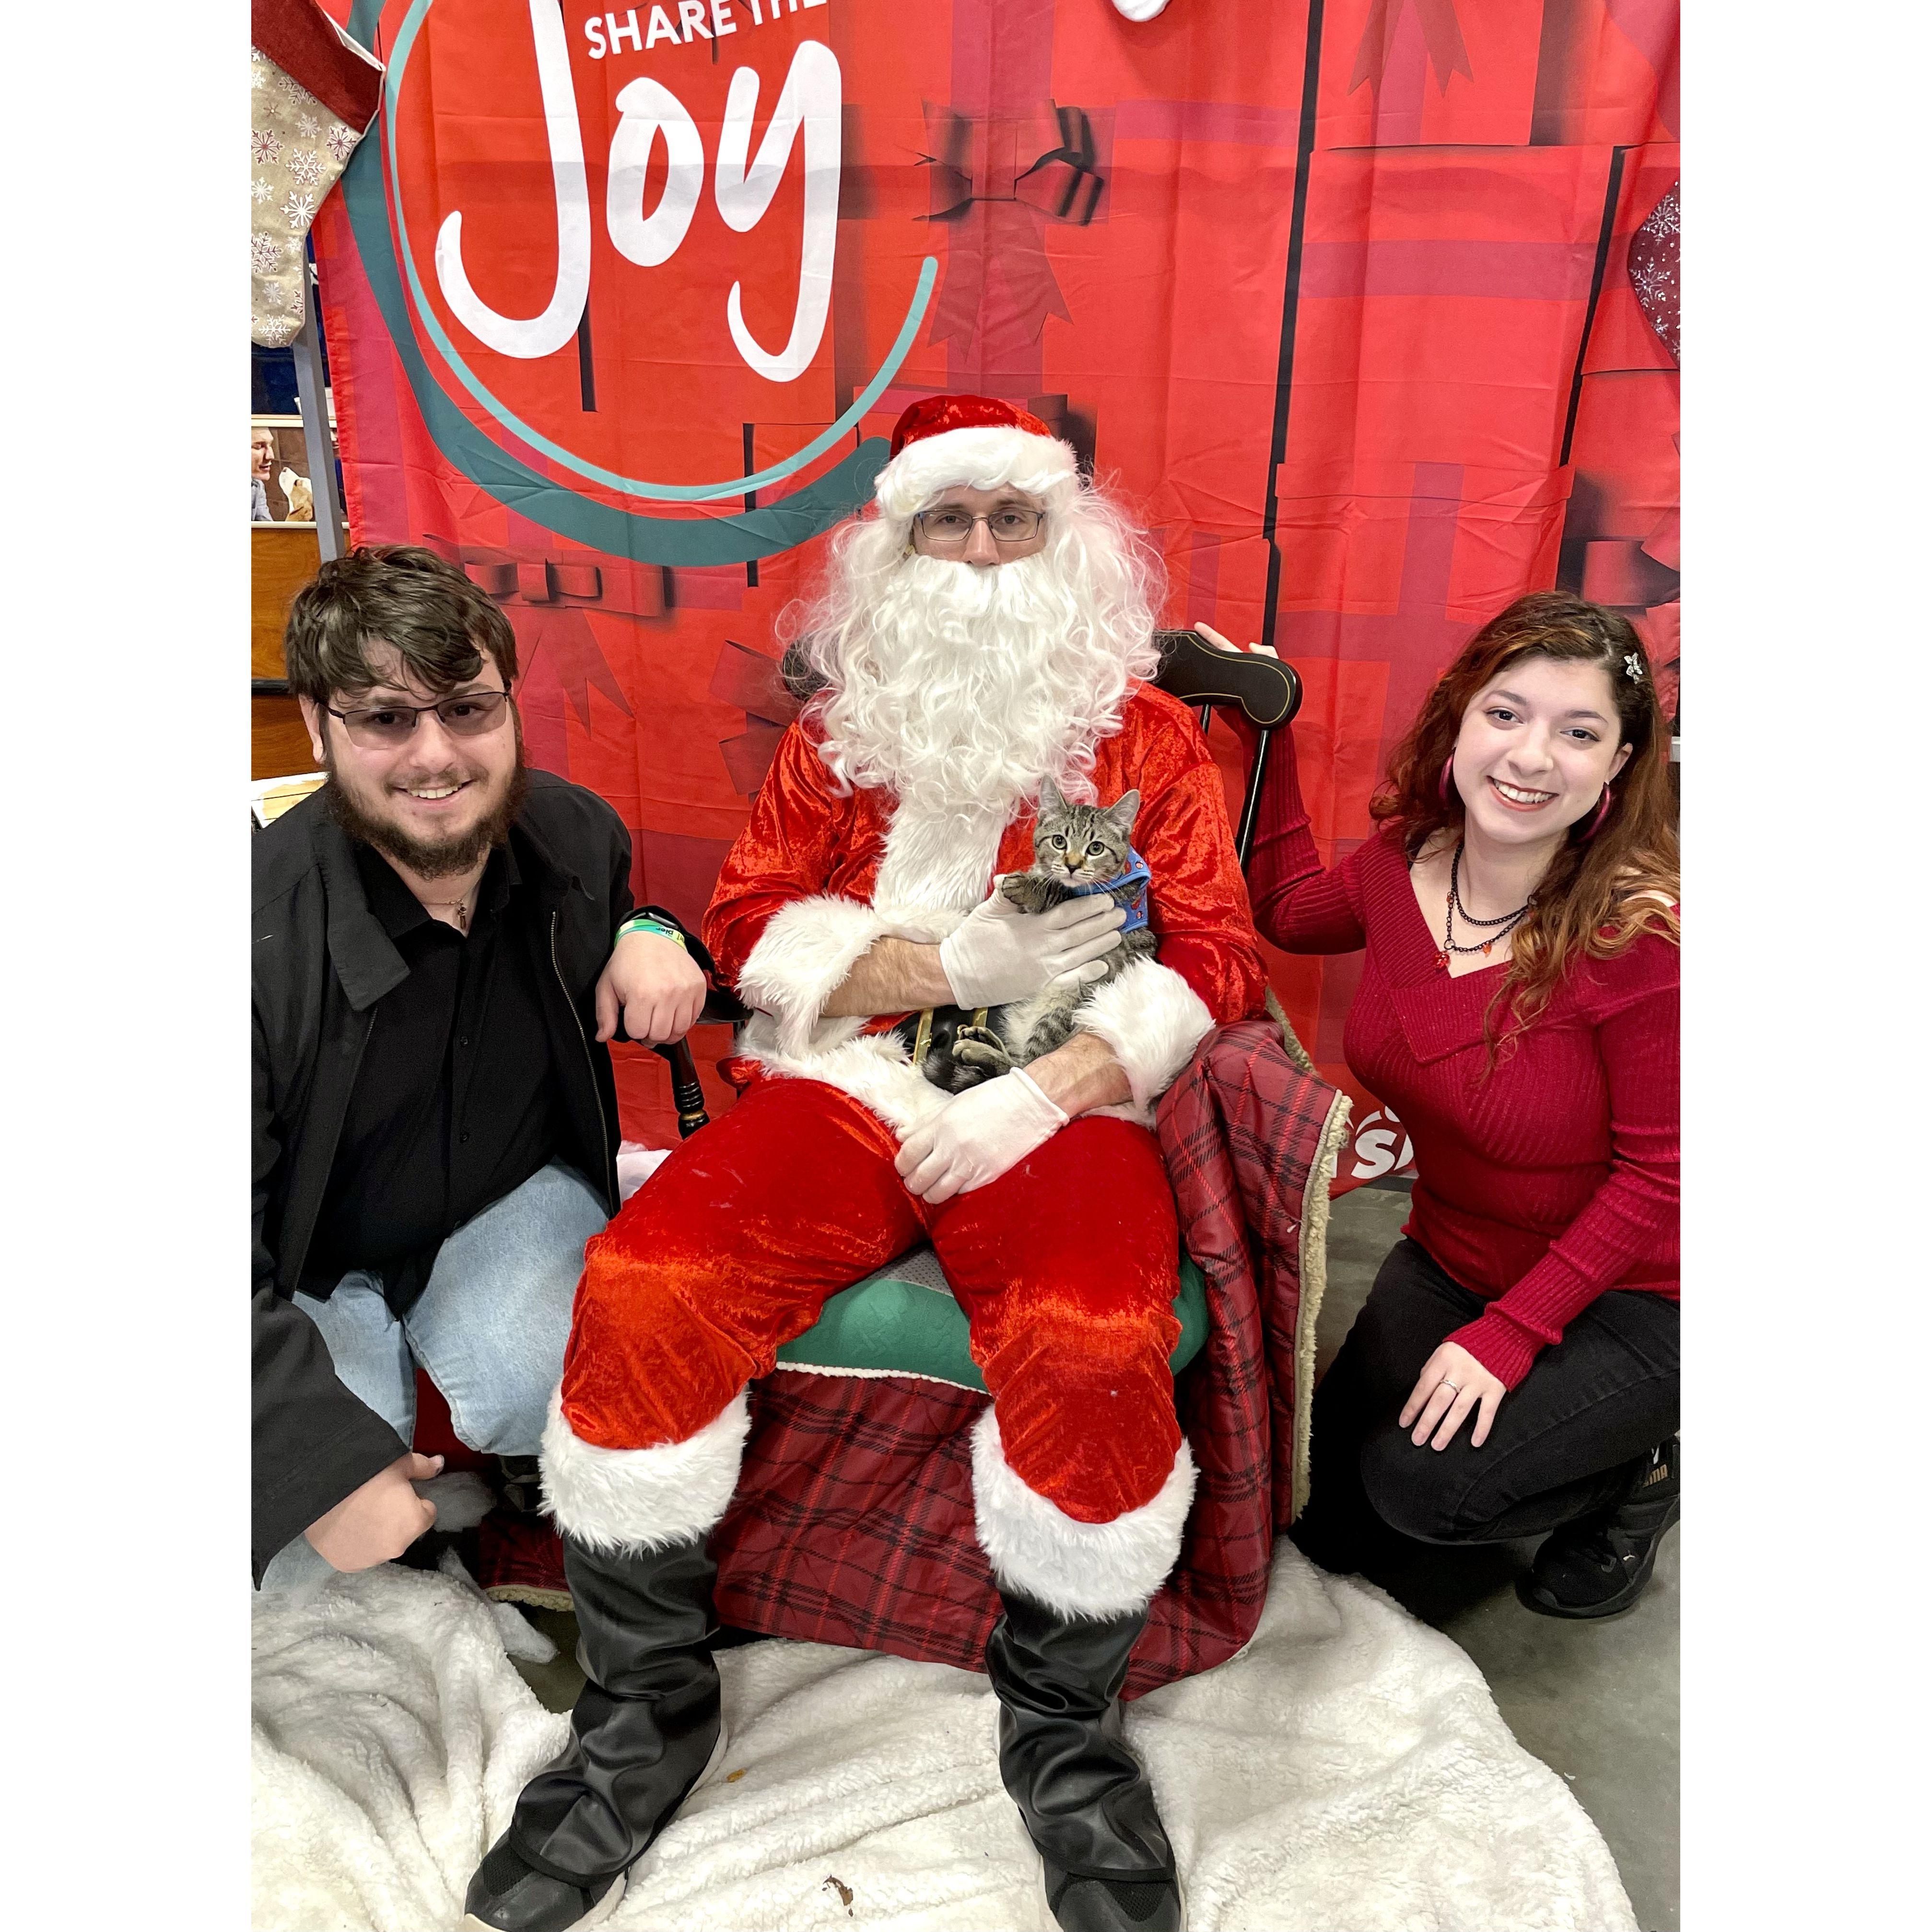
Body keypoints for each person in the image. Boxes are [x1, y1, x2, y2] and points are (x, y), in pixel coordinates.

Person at [464, 398, 1267, 1932]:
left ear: (1064, 541)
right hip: (850, 1075)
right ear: (890, 552)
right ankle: (643, 1717)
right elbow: (758, 929)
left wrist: (1047, 1091)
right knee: (644, 1278)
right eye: (942, 523)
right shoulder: (843, 733)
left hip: (1059, 1099)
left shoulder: (1149, 741)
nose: (976, 554)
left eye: (1008, 520)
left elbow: (1216, 956)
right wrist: (934, 958)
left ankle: (1062, 1736)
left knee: (1095, 1334)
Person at [1203, 591, 1679, 1620]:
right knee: (1316, 1511)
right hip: (1453, 1252)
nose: (1531, 755)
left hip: (1640, 1293)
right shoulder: (1400, 864)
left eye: (1579, 731)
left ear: (1617, 765)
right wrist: (1266, 735)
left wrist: (1508, 1336)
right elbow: (1287, 910)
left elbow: (1664, 1179)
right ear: (1458, 719)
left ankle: (1639, 1477)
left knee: (1423, 1494)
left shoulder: (1640, 937)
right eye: (1505, 713)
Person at [253, 544, 712, 1598]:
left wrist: (650, 926)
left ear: (509, 707)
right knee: (303, 1533)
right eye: (384, 718)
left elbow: (640, 931)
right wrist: (321, 1468)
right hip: (299, 1254)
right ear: (320, 725)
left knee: (574, 1382)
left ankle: (514, 1482)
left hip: (496, 1198)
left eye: (466, 709)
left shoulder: (573, 832)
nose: (435, 755)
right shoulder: (245, 935)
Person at [251, 423, 277, 521]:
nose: (270, 456)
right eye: (258, 447)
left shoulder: (257, 486)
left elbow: (268, 529)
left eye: (270, 445)